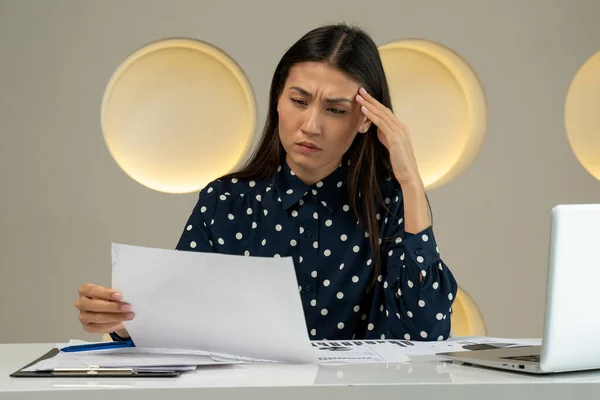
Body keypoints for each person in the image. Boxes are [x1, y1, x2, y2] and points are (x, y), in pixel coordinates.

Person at [75, 23, 458, 342]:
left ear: (364, 121)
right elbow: (179, 324)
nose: (311, 125)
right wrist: (126, 323)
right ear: (277, 100)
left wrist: (409, 181)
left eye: (335, 110)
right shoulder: (225, 201)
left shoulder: (390, 204)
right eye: (298, 101)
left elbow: (426, 334)